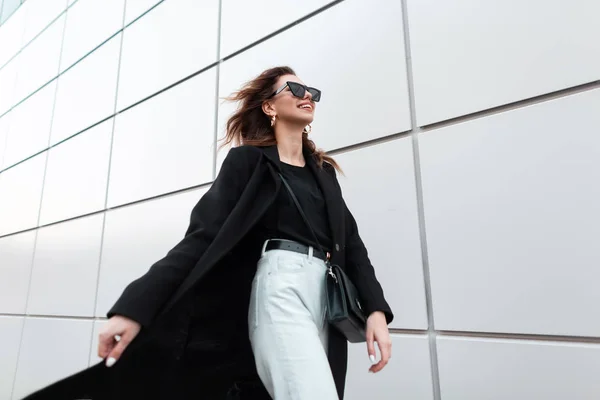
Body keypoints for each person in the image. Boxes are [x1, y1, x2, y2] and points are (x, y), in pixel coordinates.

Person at [23, 66, 393, 400]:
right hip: (281, 288)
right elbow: (202, 237)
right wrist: (135, 307)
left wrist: (375, 310)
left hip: (326, 298)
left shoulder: (322, 172)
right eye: (294, 88)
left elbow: (352, 244)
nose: (307, 95)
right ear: (269, 107)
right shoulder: (248, 162)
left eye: (311, 90)